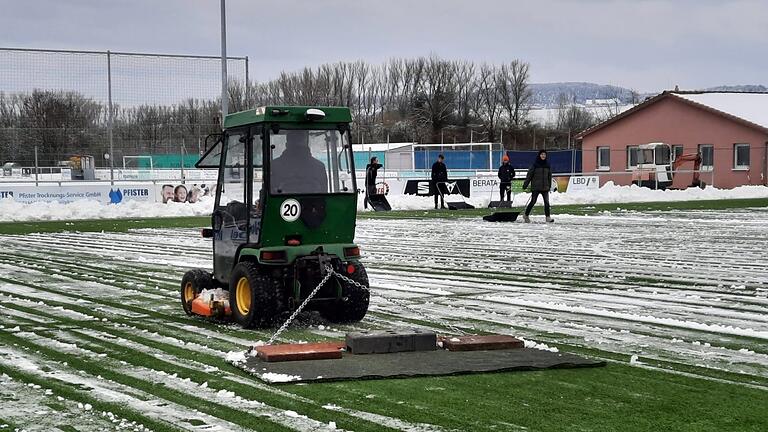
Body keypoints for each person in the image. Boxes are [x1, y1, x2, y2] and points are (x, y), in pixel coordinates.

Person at [522, 150, 554, 223]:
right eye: (542, 154)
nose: (543, 156)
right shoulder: (535, 165)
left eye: (544, 154)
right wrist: (525, 184)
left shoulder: (547, 165)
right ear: (539, 155)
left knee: (546, 202)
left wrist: (549, 185)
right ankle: (526, 215)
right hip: (536, 187)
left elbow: (549, 176)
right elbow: (529, 175)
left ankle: (548, 217)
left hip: (545, 187)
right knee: (533, 201)